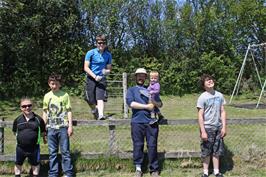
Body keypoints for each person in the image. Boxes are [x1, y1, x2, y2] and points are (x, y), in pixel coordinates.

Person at [126, 68, 162, 177]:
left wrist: (154, 102)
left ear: (146, 78)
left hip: (151, 122)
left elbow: (160, 104)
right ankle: (138, 169)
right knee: (138, 145)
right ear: (135, 77)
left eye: (143, 76)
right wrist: (147, 106)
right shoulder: (131, 90)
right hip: (137, 122)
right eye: (139, 76)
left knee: (152, 146)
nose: (141, 78)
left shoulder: (151, 89)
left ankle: (154, 169)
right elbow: (131, 104)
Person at [42, 73, 74, 177]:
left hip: (63, 128)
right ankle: (53, 173)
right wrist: (43, 128)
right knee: (52, 153)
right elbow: (45, 112)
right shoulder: (47, 96)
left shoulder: (65, 95)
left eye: (56, 84)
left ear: (60, 84)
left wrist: (70, 126)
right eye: (52, 84)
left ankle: (68, 173)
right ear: (49, 84)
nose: (54, 86)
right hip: (51, 128)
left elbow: (69, 111)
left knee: (65, 152)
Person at [196, 74, 227, 177]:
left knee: (217, 151)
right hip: (207, 128)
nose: (210, 81)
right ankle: (205, 173)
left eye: (211, 80)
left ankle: (216, 172)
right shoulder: (202, 97)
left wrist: (224, 127)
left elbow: (222, 111)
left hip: (218, 127)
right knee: (206, 151)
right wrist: (203, 131)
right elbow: (200, 115)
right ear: (203, 85)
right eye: (207, 81)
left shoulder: (220, 95)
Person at [13, 97, 46, 177]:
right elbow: (14, 132)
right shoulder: (17, 120)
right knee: (18, 164)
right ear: (21, 108)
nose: (27, 108)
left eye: (29, 105)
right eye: (24, 106)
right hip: (20, 148)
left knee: (35, 165)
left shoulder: (39, 119)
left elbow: (43, 132)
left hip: (34, 148)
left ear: (32, 106)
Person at [84, 34, 112, 120]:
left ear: (105, 44)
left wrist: (106, 72)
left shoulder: (108, 55)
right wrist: (95, 76)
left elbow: (109, 69)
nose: (101, 45)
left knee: (100, 97)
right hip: (91, 78)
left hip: (101, 79)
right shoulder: (90, 53)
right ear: (96, 43)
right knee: (90, 99)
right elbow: (86, 67)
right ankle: (94, 110)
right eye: (99, 43)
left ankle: (101, 115)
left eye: (103, 43)